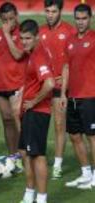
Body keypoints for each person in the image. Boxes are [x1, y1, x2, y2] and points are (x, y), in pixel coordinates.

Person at [18, 19, 55, 203]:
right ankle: (29, 194)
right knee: (25, 152)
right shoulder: (33, 53)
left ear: (36, 37)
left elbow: (49, 83)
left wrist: (33, 102)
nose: (24, 42)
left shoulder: (39, 54)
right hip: (30, 112)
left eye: (27, 38)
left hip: (38, 112)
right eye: (22, 38)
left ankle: (41, 198)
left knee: (37, 155)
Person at [40, 0, 75, 179]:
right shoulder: (41, 31)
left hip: (61, 88)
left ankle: (58, 164)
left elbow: (75, 60)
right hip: (43, 87)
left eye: (53, 11)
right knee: (38, 124)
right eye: (47, 11)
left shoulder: (70, 31)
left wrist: (66, 80)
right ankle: (35, 158)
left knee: (59, 124)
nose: (50, 14)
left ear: (60, 11)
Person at [62, 3, 95, 190]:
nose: (81, 22)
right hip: (73, 97)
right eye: (78, 18)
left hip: (91, 96)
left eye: (84, 18)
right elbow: (65, 67)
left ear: (89, 19)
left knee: (92, 137)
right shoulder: (70, 40)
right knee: (74, 136)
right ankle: (86, 173)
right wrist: (64, 94)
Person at [0, 2, 26, 173]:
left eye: (12, 19)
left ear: (17, 16)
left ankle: (24, 157)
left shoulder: (23, 33)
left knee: (19, 122)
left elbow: (18, 54)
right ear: (1, 19)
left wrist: (6, 34)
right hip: (0, 86)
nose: (9, 23)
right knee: (7, 121)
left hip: (17, 85)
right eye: (5, 20)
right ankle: (12, 156)